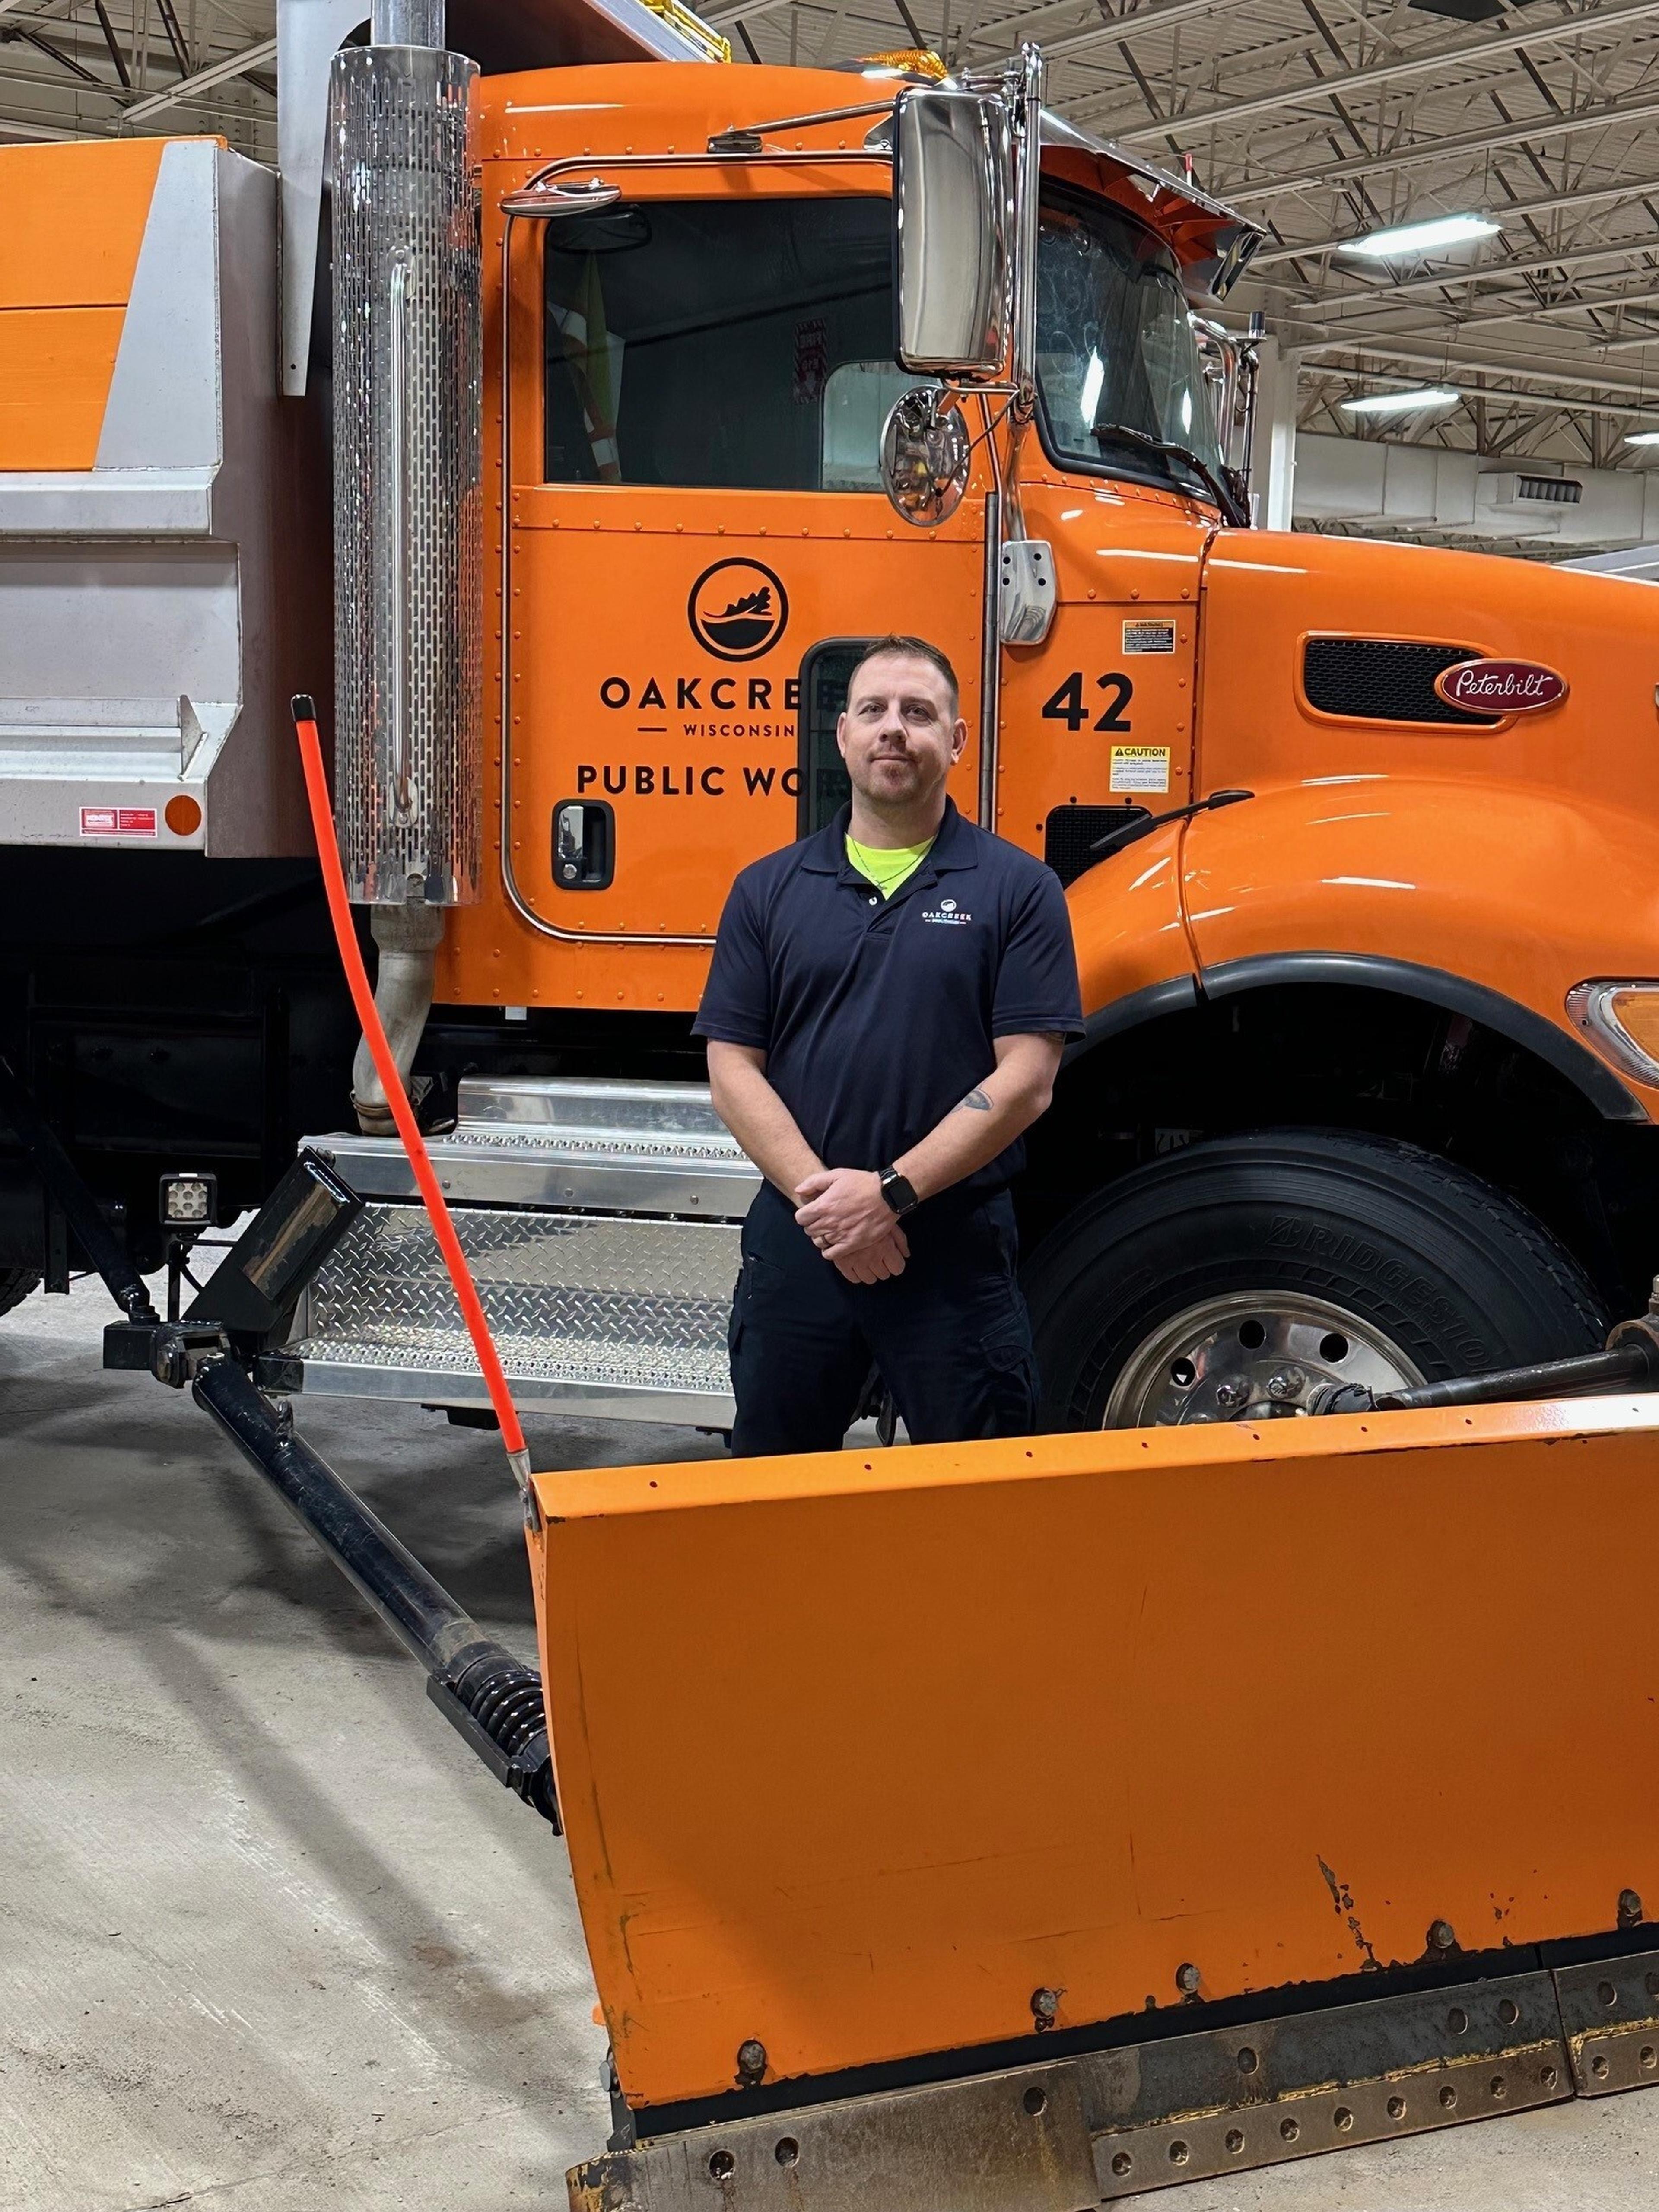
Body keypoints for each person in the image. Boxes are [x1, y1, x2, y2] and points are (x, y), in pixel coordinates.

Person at [693, 634, 1083, 1456]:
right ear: (842, 736)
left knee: (975, 1503)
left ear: (958, 738)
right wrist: (833, 1209)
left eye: (918, 713)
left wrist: (892, 1196)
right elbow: (732, 1070)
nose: (893, 730)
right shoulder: (768, 889)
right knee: (769, 1492)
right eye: (873, 711)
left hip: (952, 1248)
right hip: (804, 1240)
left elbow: (1029, 1078)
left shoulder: (1019, 889)